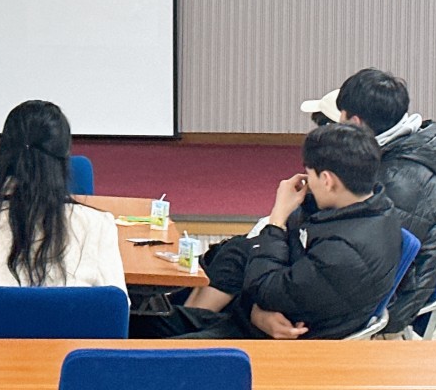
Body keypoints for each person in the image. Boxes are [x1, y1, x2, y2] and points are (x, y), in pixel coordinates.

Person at [130, 123, 402, 340]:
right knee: (133, 324)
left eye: (310, 175)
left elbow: (268, 289)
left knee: (141, 354)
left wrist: (277, 217)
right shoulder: (372, 209)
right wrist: (257, 311)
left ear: (328, 180)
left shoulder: (344, 252)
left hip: (272, 345)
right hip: (253, 319)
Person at [0, 100, 126, 338]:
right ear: (65, 159)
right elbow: (116, 315)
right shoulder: (97, 225)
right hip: (66, 361)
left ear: (2, 154)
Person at [303, 67, 436, 335]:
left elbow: (362, 270)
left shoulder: (396, 182)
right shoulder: (395, 158)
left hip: (384, 308)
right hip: (375, 293)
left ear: (355, 122)